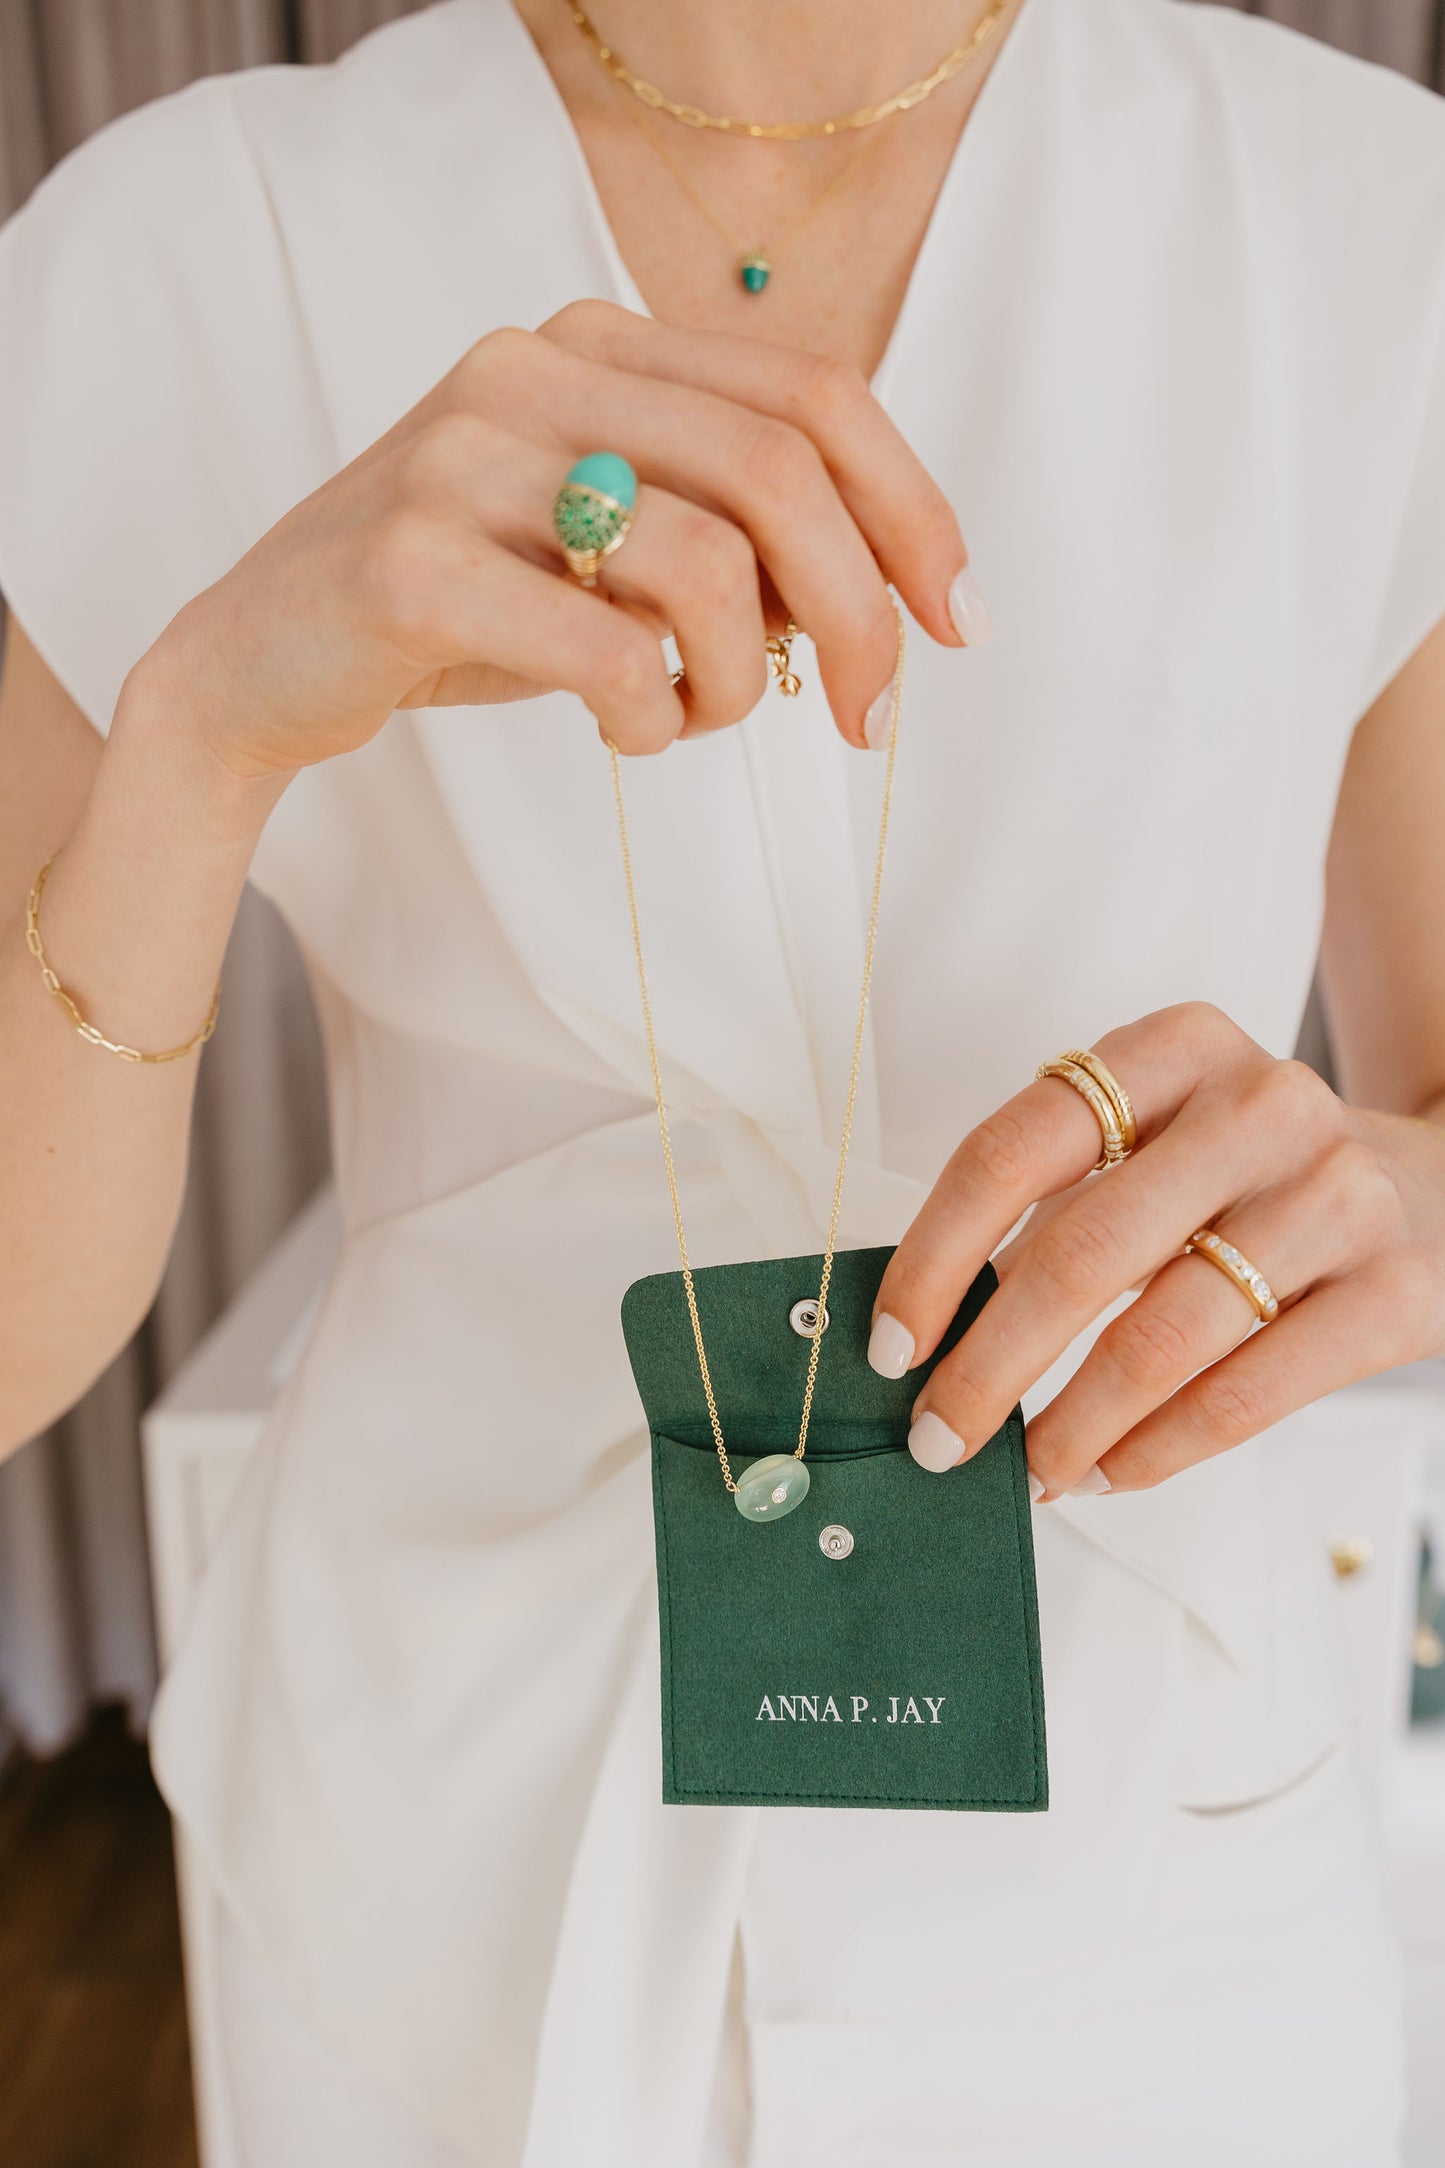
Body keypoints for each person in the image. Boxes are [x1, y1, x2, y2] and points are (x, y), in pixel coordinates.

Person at [1, 0, 1443, 2159]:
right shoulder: (170, 256)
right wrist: (205, 722)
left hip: (1160, 1867)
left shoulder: (1362, 218)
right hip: (429, 1869)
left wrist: (1398, 1205)